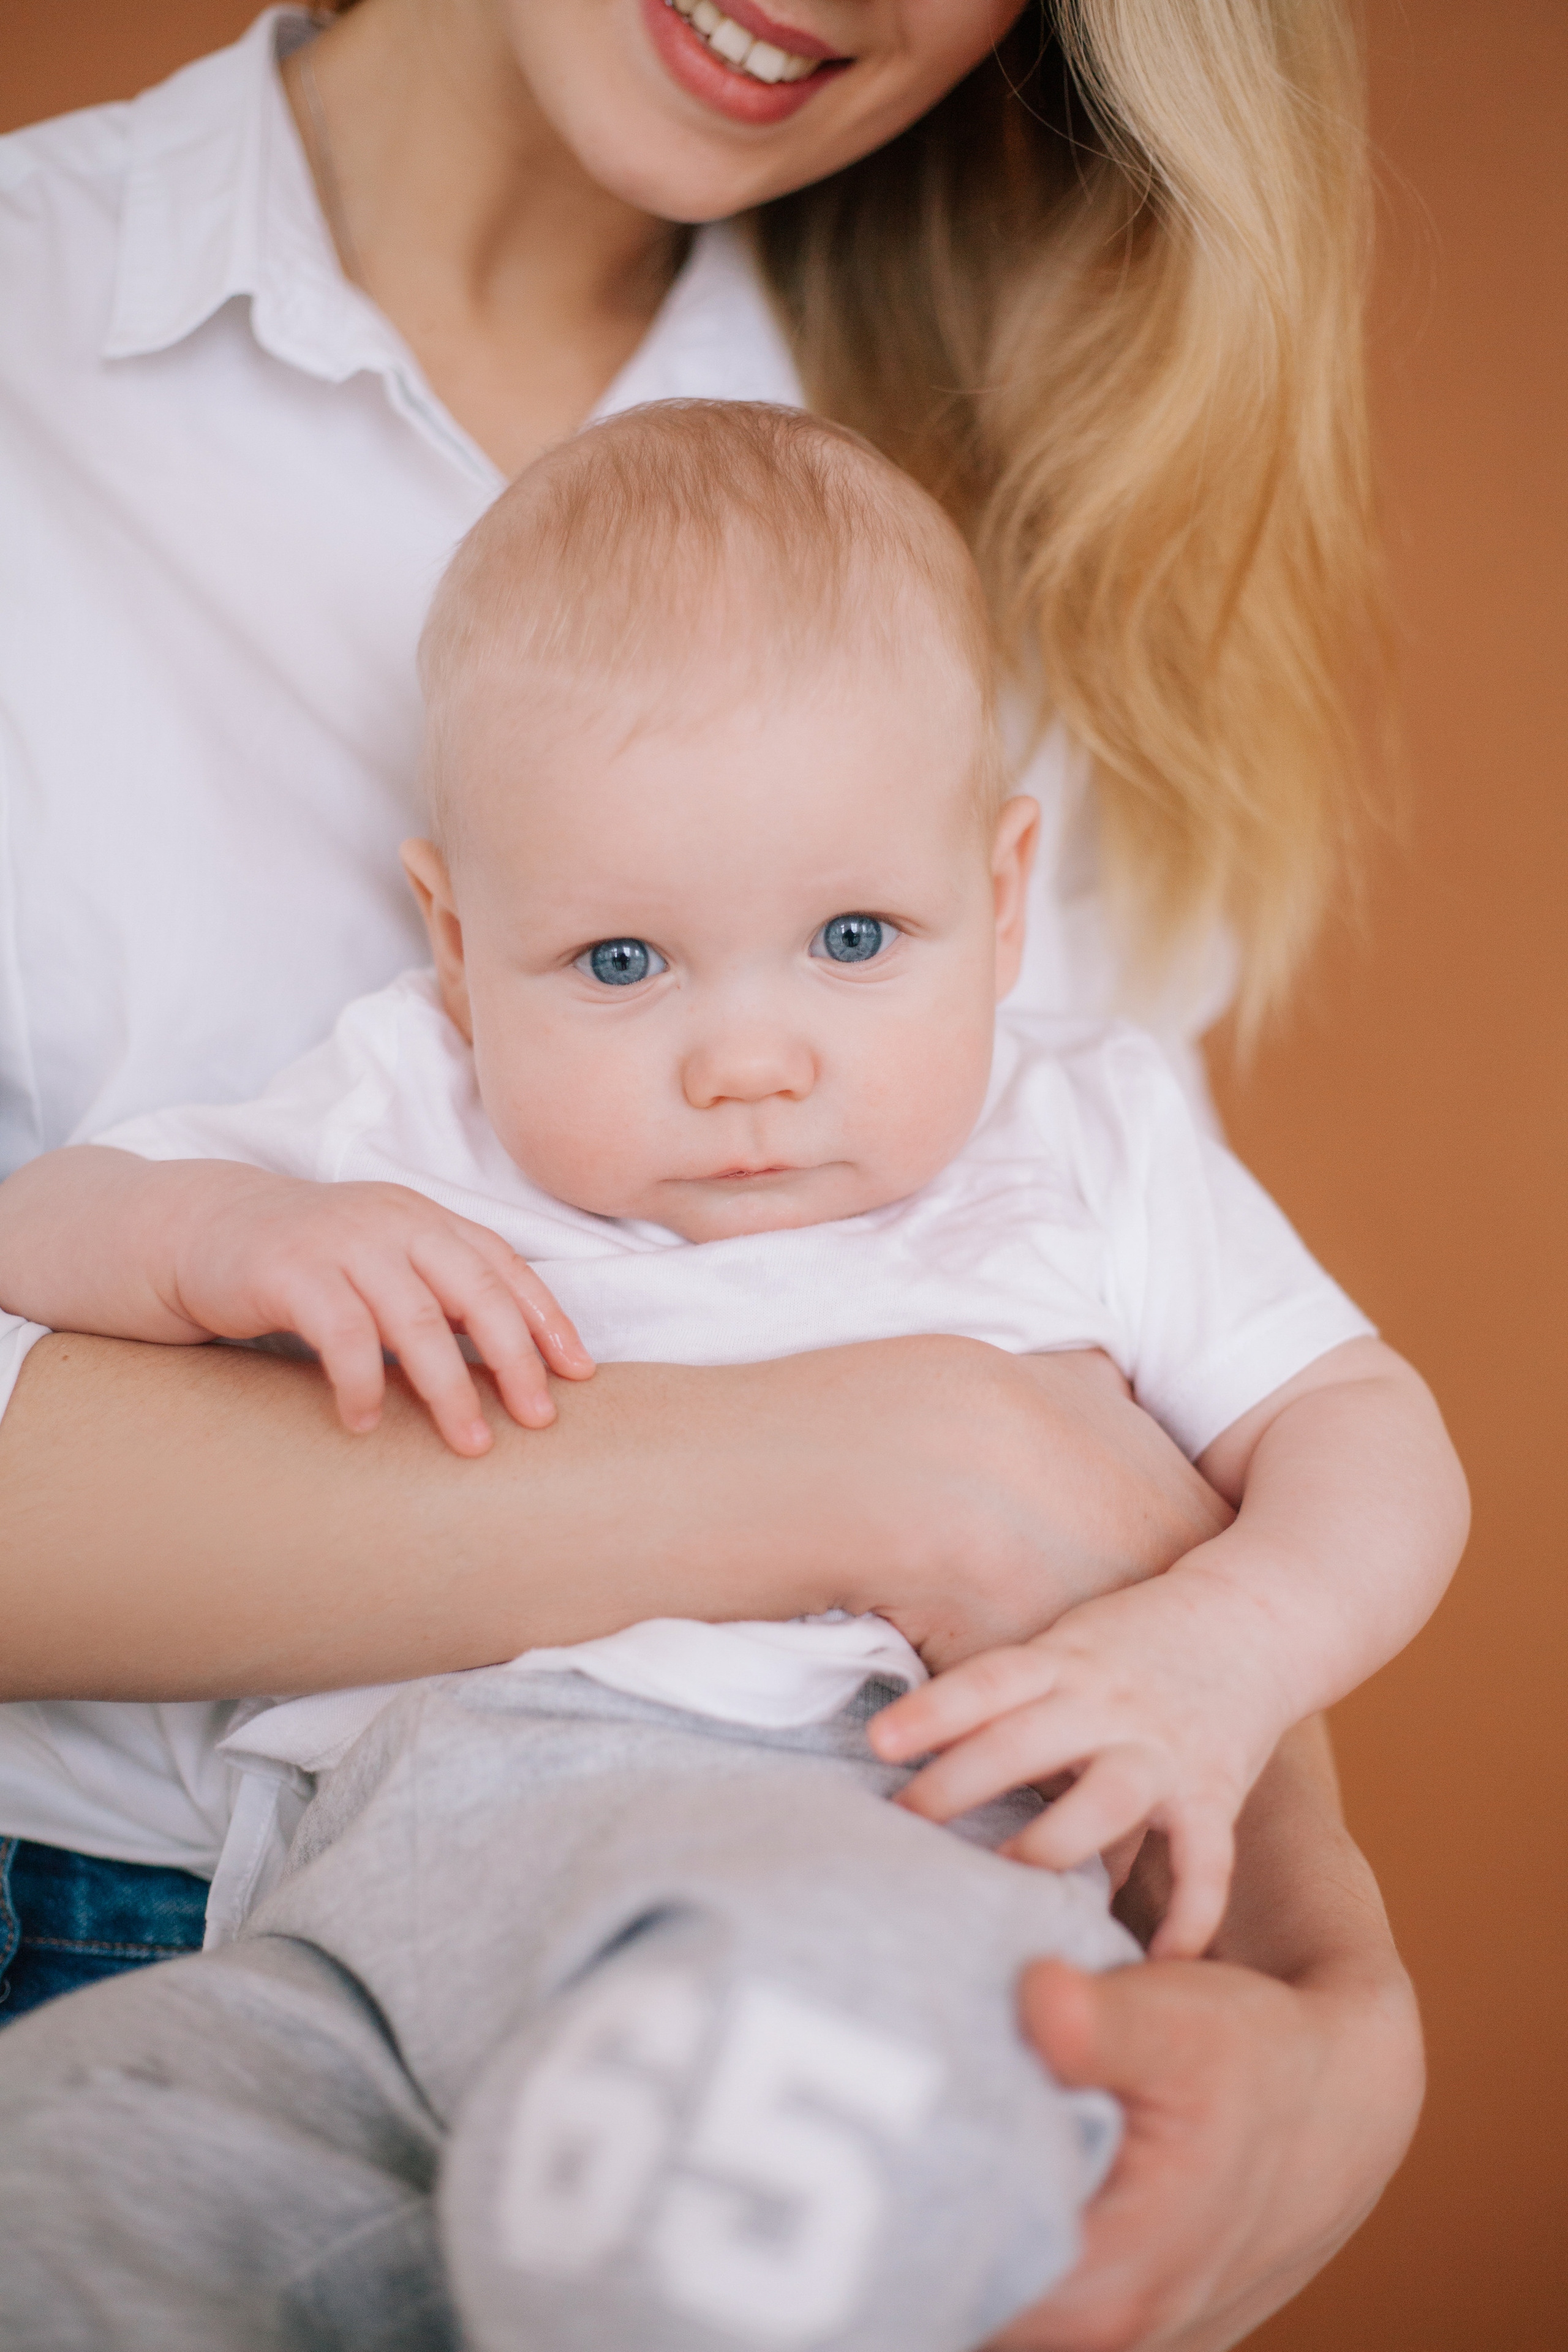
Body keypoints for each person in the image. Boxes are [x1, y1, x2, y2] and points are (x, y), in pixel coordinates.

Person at [0, 4, 1425, 2345]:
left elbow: (1271, 1460)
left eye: (862, 941)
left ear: (998, 875)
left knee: (787, 2045)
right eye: (625, 961)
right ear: (461, 944)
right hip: (330, 1889)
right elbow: (40, 1241)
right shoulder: (412, 1099)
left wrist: (1322, 1993)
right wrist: (222, 1236)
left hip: (865, 1834)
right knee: (105, 2173)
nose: (754, 1058)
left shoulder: (1059, 1029)